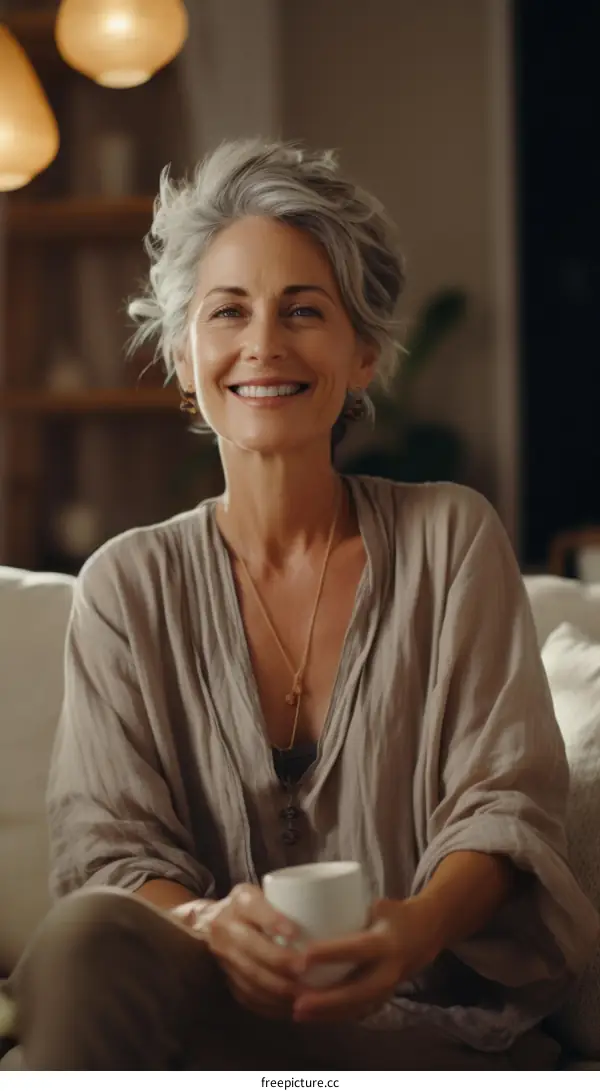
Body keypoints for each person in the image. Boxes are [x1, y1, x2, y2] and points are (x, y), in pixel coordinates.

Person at [8, 139, 598, 1071]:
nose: (264, 345)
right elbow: (111, 854)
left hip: (423, 1031)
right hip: (216, 1023)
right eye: (228, 312)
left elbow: (504, 804)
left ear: (363, 353)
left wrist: (409, 930)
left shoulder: (452, 541)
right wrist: (210, 924)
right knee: (84, 943)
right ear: (182, 353)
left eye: (304, 311)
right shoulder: (127, 585)